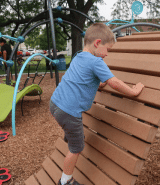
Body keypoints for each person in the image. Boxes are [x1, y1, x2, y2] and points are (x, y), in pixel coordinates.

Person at [49, 23, 144, 185]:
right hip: (69, 112)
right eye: (107, 49)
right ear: (97, 43)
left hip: (55, 104)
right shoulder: (96, 62)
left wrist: (97, 84)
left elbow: (79, 77)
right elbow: (114, 83)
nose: (107, 54)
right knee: (76, 148)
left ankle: (70, 135)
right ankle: (66, 181)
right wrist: (134, 91)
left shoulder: (78, 56)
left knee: (71, 131)